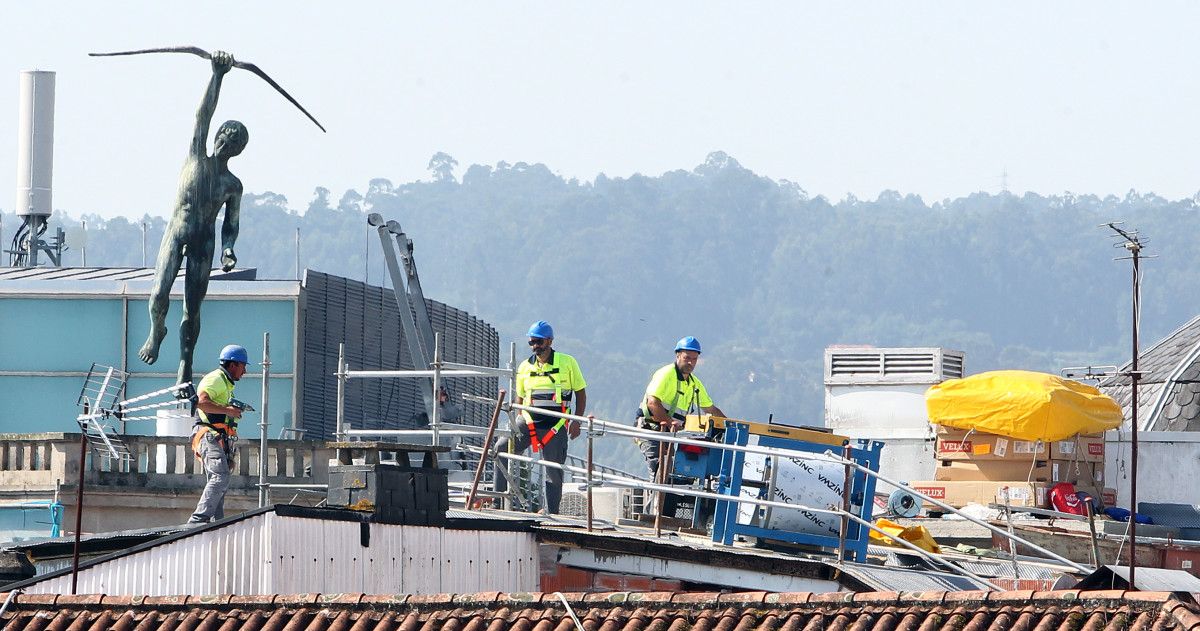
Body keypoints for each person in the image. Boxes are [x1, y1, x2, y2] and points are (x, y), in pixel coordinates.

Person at [138, 51, 247, 389]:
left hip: (204, 243)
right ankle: (157, 332)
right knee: (158, 295)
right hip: (176, 233)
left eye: (232, 143)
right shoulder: (196, 155)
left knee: (193, 308)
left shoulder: (232, 185)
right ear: (215, 138)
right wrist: (218, 75)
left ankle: (185, 361)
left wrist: (228, 249)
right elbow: (203, 113)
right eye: (223, 138)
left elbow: (231, 224)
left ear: (238, 150)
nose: (224, 144)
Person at [493, 320, 587, 514]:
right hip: (528, 422)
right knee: (500, 449)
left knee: (553, 470)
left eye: (539, 341)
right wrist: (520, 422)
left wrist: (576, 421)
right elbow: (519, 397)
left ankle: (552, 513)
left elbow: (581, 393)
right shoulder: (525, 367)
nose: (535, 346)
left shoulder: (567, 362)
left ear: (550, 341)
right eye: (532, 342)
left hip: (555, 423)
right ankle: (498, 502)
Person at [636, 336, 726, 482]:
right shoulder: (666, 374)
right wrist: (671, 423)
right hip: (650, 429)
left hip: (670, 434)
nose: (691, 362)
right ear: (677, 355)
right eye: (687, 357)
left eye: (694, 359)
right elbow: (652, 403)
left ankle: (664, 502)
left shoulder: (694, 384)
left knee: (673, 473)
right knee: (659, 469)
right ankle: (655, 503)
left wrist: (729, 426)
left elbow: (711, 409)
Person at [188, 344, 250, 524]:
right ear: (233, 365)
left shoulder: (226, 383)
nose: (244, 371)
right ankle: (197, 521)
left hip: (215, 437)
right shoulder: (216, 378)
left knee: (220, 482)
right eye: (243, 366)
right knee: (220, 477)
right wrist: (229, 411)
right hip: (207, 434)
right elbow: (201, 402)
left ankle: (216, 523)